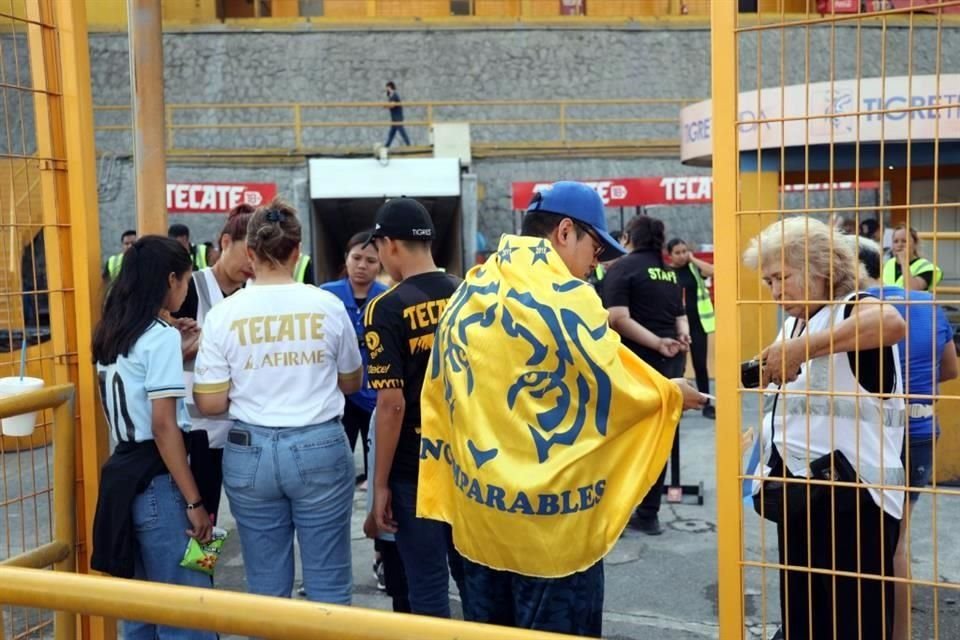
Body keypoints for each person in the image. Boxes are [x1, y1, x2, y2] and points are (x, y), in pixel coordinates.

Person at [416, 181, 705, 636]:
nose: (598, 261)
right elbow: (616, 389)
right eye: (595, 246)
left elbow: (440, 396)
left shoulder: (468, 294)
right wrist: (670, 393)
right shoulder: (571, 301)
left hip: (478, 521)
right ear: (565, 232)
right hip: (551, 532)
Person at [192, 199, 363, 604]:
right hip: (319, 444)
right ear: (297, 252)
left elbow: (211, 404)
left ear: (250, 253)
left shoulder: (224, 315)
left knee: (266, 589)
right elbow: (352, 382)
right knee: (329, 584)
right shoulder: (327, 305)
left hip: (249, 452)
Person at [745, 217, 906, 640]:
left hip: (855, 502)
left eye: (783, 277)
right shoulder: (797, 322)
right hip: (805, 496)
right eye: (769, 282)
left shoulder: (854, 306)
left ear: (822, 269)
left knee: (853, 624)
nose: (777, 292)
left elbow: (892, 324)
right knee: (806, 620)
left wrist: (803, 348)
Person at [90, 236, 215, 640]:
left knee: (139, 617)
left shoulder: (111, 332)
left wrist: (174, 347)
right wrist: (195, 502)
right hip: (160, 486)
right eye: (185, 283)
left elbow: (135, 390)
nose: (186, 292)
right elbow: (163, 426)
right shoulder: (158, 337)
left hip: (123, 481)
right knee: (186, 616)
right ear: (170, 279)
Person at [363, 197, 463, 618]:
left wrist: (380, 484)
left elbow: (391, 406)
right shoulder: (468, 293)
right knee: (475, 581)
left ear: (389, 245)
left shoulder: (385, 308)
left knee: (426, 587)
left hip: (414, 468)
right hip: (469, 461)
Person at [857, 237, 959, 640]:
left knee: (850, 538)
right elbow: (949, 369)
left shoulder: (850, 310)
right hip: (918, 432)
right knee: (894, 540)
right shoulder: (925, 304)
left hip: (866, 436)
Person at [603, 216, 689, 536]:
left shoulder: (622, 269)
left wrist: (657, 343)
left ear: (627, 237)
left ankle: (618, 515)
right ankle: (649, 513)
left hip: (634, 367)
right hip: (671, 367)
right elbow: (681, 317)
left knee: (622, 442)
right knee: (658, 439)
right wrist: (680, 339)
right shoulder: (668, 273)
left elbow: (617, 318)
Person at [173, 203, 256, 522]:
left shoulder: (254, 296)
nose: (252, 263)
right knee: (197, 523)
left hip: (241, 429)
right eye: (247, 252)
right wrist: (208, 342)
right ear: (224, 243)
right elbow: (166, 354)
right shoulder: (190, 288)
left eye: (258, 255)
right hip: (194, 432)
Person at [320, 231, 388, 483]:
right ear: (346, 259)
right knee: (335, 463)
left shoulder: (387, 298)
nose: (362, 265)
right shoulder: (326, 296)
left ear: (380, 263)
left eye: (370, 261)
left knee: (377, 462)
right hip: (338, 394)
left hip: (375, 394)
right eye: (356, 257)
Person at [362, 410, 411, 613]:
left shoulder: (386, 410)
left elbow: (391, 407)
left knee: (409, 597)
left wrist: (373, 514)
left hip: (398, 511)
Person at [667, 238, 716, 419]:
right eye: (677, 252)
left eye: (684, 251)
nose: (682, 255)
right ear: (670, 255)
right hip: (677, 326)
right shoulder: (668, 272)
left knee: (700, 366)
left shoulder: (694, 269)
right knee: (678, 367)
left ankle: (706, 403)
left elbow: (712, 271)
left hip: (697, 324)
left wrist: (692, 259)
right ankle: (679, 403)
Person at [884, 224, 942, 291]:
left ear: (915, 244)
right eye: (895, 241)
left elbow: (912, 290)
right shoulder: (887, 264)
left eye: (904, 241)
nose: (899, 245)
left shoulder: (926, 267)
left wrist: (904, 261)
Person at [384, 81, 411, 148]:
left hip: (397, 118)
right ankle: (387, 145)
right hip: (394, 118)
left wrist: (385, 106)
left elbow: (392, 105)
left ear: (390, 87)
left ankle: (408, 145)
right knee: (392, 133)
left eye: (387, 87)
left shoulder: (394, 95)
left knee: (402, 132)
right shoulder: (391, 95)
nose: (386, 89)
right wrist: (386, 105)